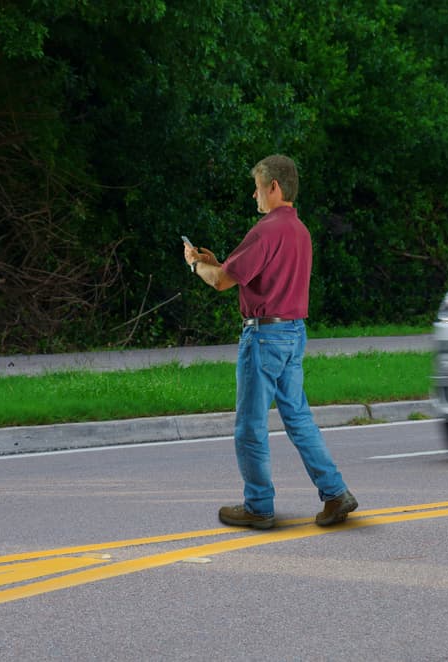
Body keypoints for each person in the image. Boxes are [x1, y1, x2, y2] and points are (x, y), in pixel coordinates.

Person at [183, 154, 358, 530]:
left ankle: (258, 505)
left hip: (264, 336)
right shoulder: (299, 231)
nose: (254, 195)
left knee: (250, 425)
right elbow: (242, 272)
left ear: (274, 187)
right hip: (293, 333)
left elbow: (221, 282)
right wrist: (218, 262)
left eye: (258, 188)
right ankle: (335, 492)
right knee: (298, 418)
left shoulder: (266, 228)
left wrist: (196, 264)